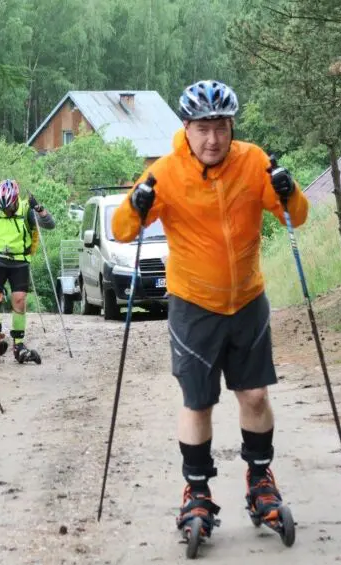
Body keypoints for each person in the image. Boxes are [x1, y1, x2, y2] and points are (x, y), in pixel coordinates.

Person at [110, 80, 310, 539]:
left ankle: (261, 482)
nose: (213, 139)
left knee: (255, 395)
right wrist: (136, 205)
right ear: (187, 127)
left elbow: (294, 216)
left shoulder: (254, 161)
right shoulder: (165, 173)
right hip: (193, 304)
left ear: (231, 126)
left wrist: (288, 189)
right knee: (198, 401)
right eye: (203, 128)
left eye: (221, 127)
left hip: (247, 300)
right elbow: (123, 231)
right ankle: (196, 492)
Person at [0, 179, 55, 363]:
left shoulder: (26, 210)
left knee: (19, 301)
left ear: (16, 200)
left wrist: (39, 209)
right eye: (3, 208)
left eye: (9, 208)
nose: (6, 211)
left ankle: (19, 344)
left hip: (19, 262)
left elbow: (49, 224)